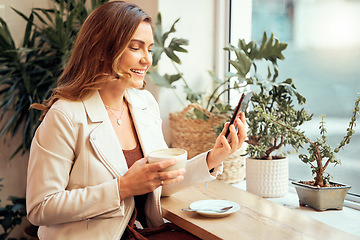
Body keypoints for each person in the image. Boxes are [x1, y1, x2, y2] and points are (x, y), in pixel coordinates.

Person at [26, 1, 247, 239]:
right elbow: (41, 208)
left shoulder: (144, 104)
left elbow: (159, 183)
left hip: (143, 232)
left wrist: (214, 158)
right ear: (102, 50)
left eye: (149, 49)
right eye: (135, 48)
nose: (146, 60)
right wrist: (122, 188)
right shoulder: (65, 116)